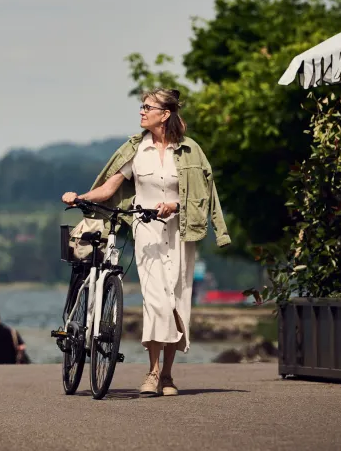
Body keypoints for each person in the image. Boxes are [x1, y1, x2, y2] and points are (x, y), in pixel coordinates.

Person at [62, 89, 230, 397]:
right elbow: (109, 186)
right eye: (142, 106)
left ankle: (167, 374)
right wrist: (81, 197)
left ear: (164, 114)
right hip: (146, 230)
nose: (141, 111)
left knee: (177, 300)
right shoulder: (136, 150)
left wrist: (176, 206)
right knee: (156, 300)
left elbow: (203, 196)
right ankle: (152, 373)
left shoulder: (191, 151)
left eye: (147, 107)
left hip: (180, 232)